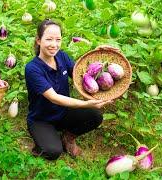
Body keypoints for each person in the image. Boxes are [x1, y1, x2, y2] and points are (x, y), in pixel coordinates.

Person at [24, 19, 115, 160]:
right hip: (41, 119)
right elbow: (54, 97)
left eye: (58, 39)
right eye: (49, 39)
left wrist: (100, 53)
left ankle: (68, 137)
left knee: (95, 115)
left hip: (63, 113)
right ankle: (43, 142)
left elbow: (83, 75)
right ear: (38, 40)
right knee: (53, 152)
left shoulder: (62, 57)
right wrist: (85, 103)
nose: (54, 45)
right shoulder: (32, 68)